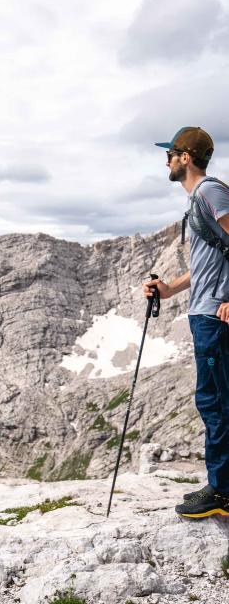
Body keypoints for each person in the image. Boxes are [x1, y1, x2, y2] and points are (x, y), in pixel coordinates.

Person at [143, 126, 229, 518]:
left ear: (186, 157)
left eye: (171, 153)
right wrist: (167, 289)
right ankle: (221, 483)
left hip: (215, 314)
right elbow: (203, 265)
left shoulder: (211, 191)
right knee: (213, 399)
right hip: (203, 311)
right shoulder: (198, 199)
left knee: (215, 401)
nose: (167, 160)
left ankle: (224, 492)